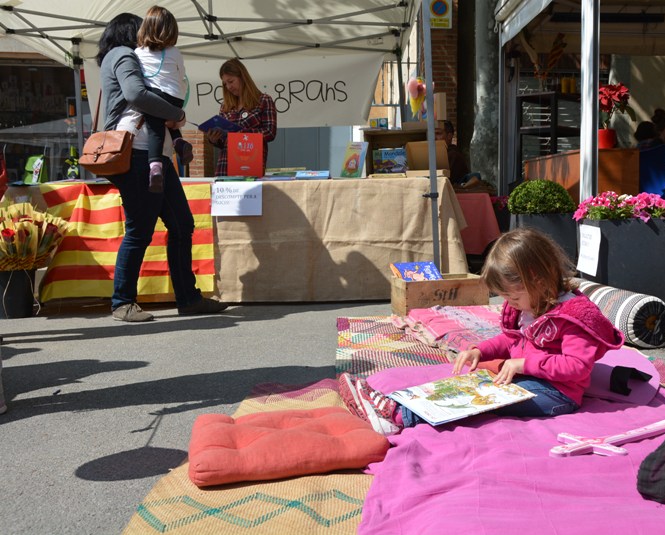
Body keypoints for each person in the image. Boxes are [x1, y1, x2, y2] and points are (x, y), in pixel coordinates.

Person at [338, 227, 624, 435]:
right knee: (471, 387)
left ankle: (399, 417)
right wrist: (479, 350)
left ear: (535, 279)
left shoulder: (572, 317)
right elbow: (512, 340)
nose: (509, 304)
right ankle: (397, 401)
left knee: (480, 400)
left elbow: (577, 367)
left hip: (558, 396)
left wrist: (525, 363)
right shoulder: (532, 303)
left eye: (512, 297)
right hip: (530, 380)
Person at [98, 12, 228, 322]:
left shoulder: (130, 56)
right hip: (139, 153)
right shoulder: (124, 55)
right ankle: (122, 301)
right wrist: (178, 115)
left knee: (182, 225)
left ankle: (188, 297)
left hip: (154, 154)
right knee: (139, 231)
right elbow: (136, 94)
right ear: (132, 31)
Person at [134, 5, 193, 193]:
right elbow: (181, 74)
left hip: (155, 97)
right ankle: (180, 143)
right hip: (175, 97)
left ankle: (155, 167)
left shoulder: (138, 53)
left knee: (155, 130)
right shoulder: (175, 52)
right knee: (170, 123)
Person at [206, 58, 278, 176]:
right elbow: (223, 141)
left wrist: (242, 133)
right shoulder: (225, 106)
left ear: (242, 77)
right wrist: (214, 139)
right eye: (225, 84)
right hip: (225, 167)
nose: (228, 87)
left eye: (231, 81)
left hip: (250, 166)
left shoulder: (263, 100)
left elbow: (270, 132)